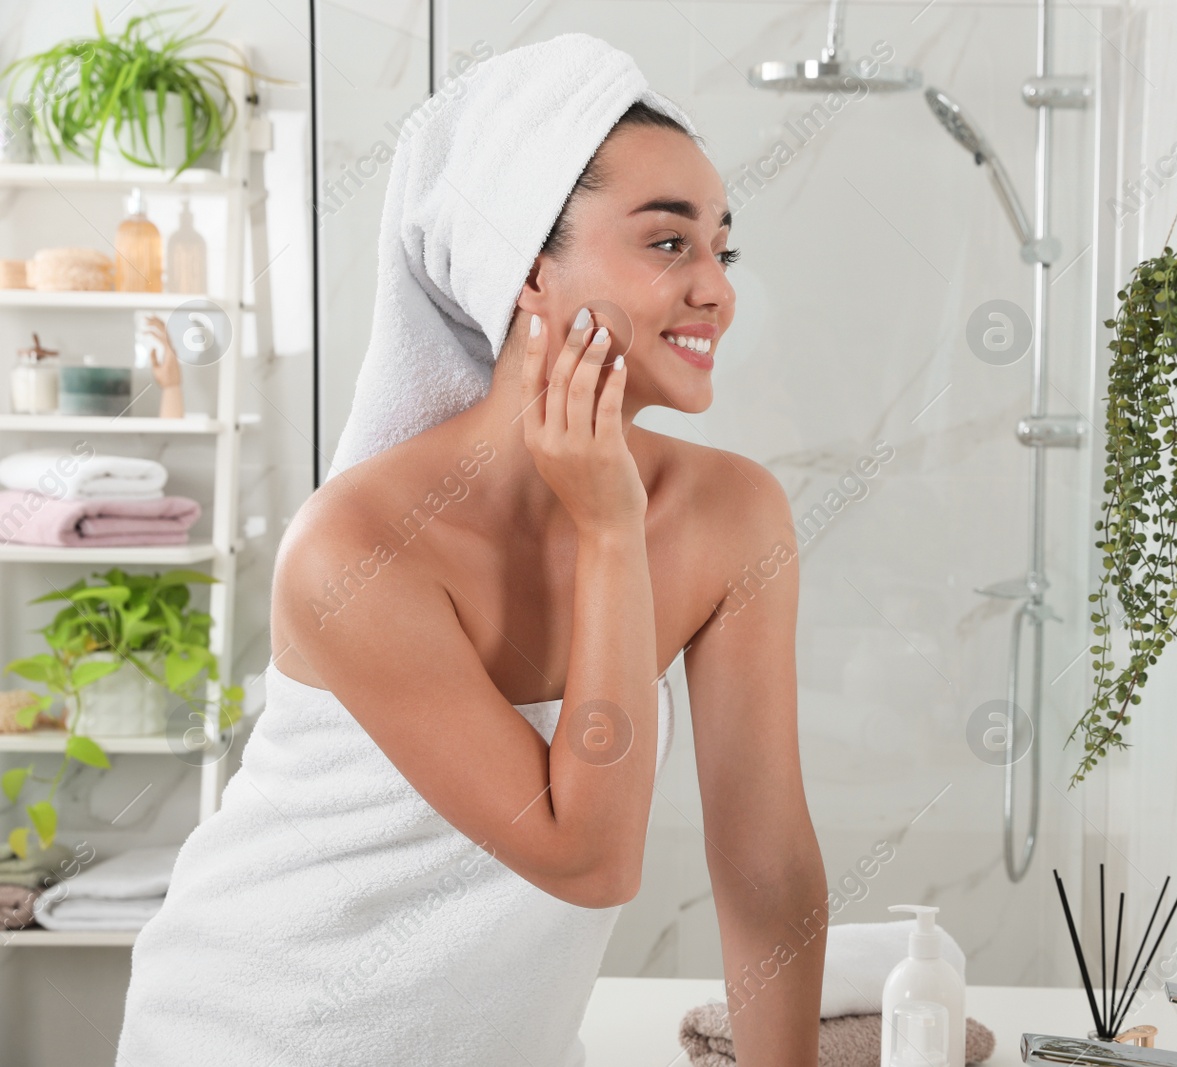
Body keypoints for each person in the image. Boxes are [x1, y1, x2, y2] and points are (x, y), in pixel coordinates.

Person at [117, 37, 826, 1067]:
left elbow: (765, 862)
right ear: (528, 268)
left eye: (724, 248)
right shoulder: (356, 546)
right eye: (669, 244)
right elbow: (588, 857)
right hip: (259, 1032)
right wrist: (609, 529)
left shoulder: (733, 515)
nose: (716, 288)